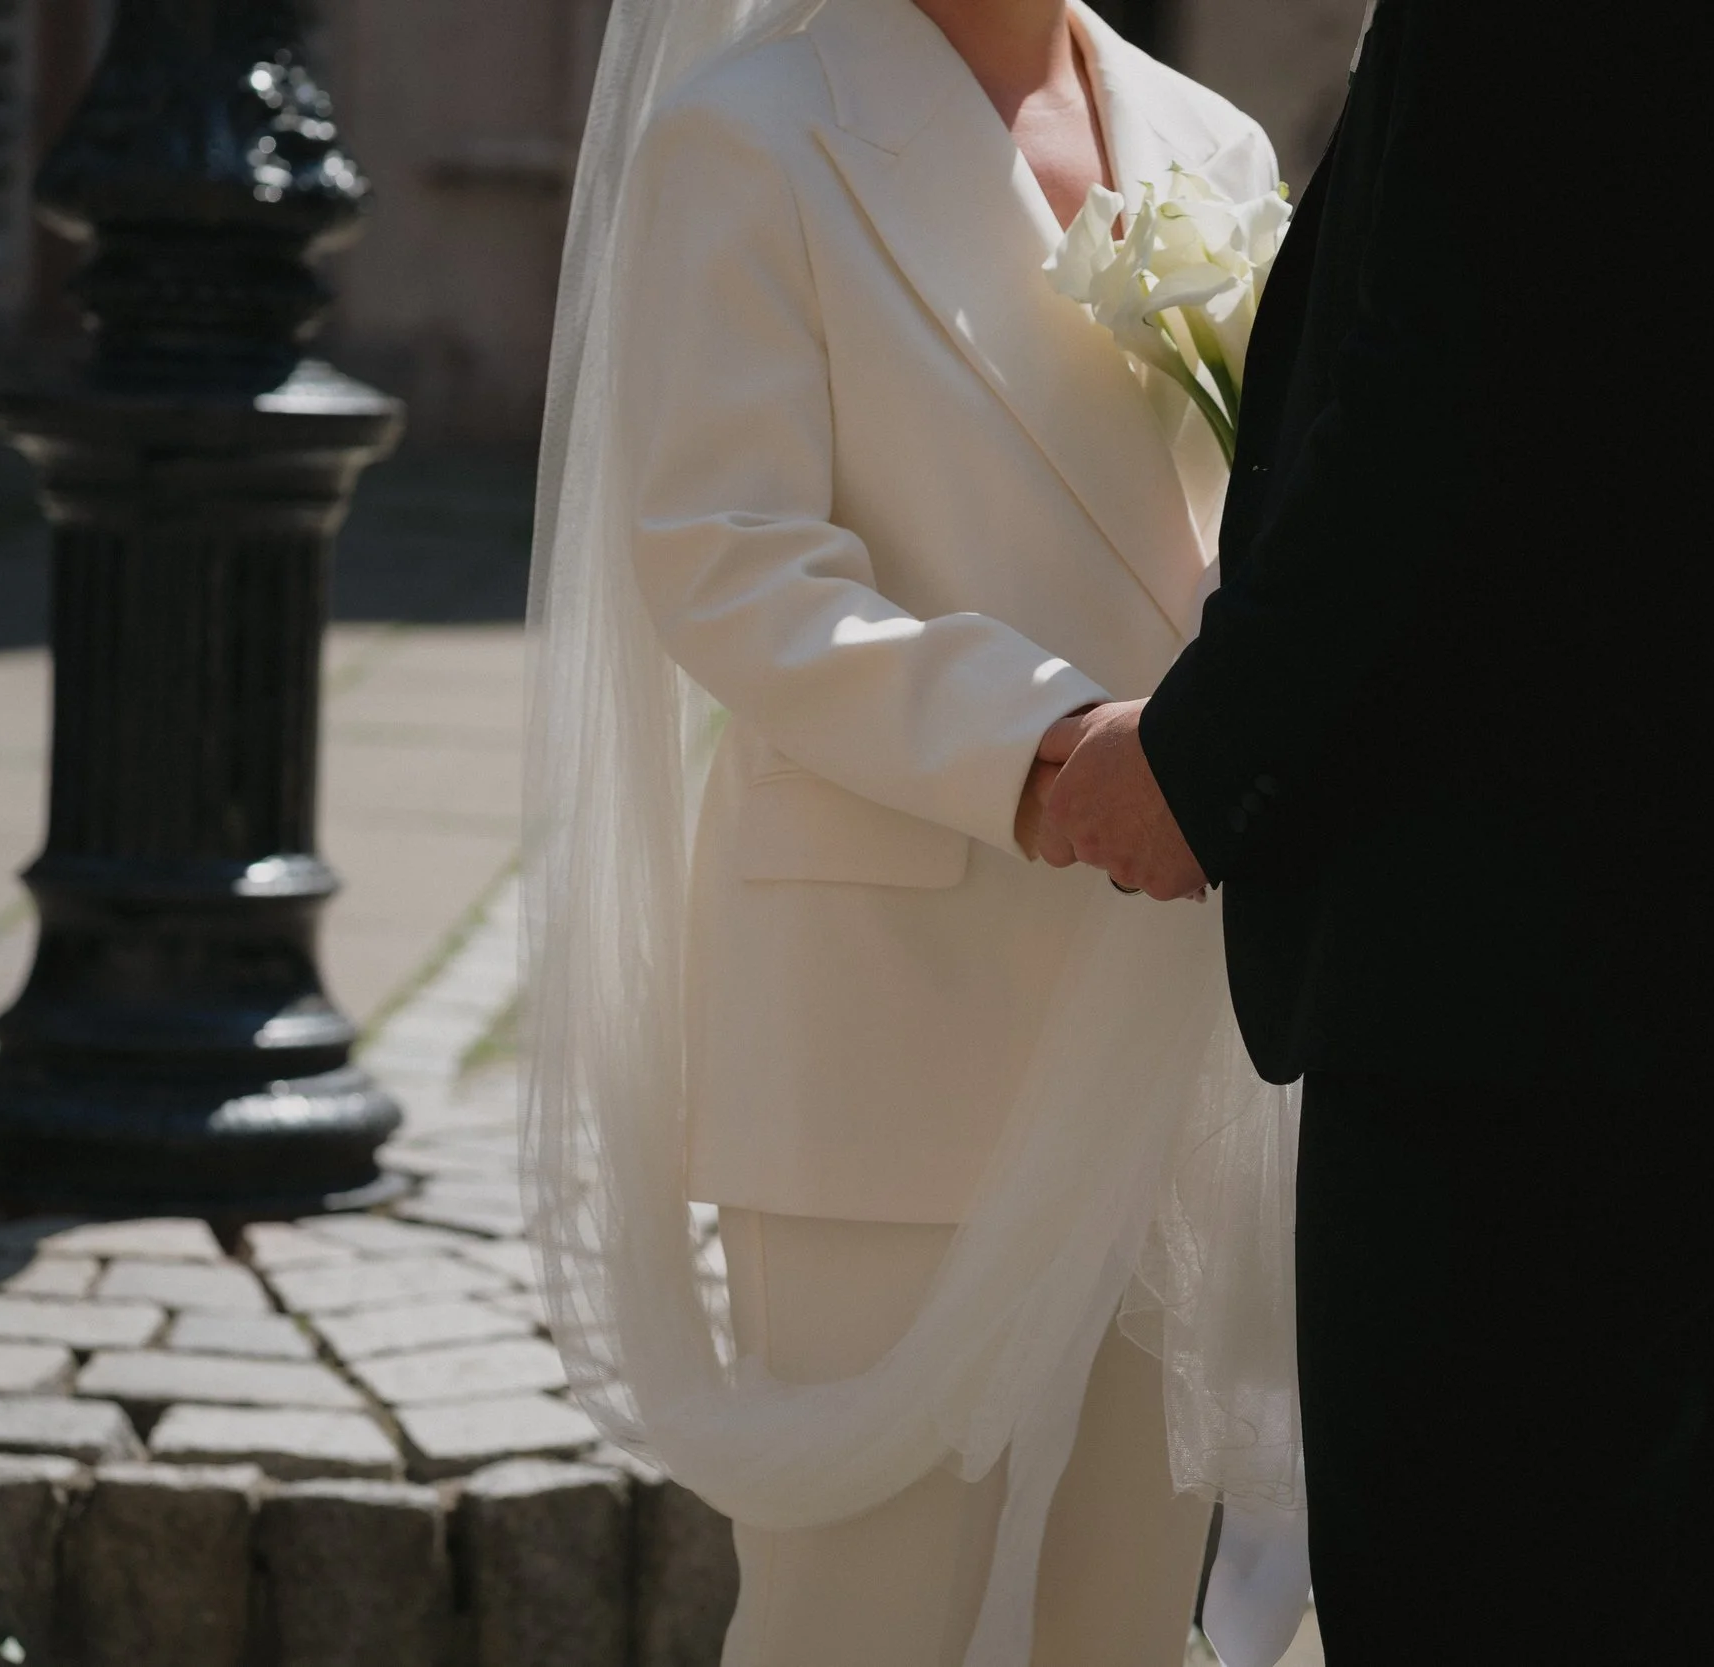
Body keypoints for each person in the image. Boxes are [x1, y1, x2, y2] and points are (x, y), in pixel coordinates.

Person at [1044, 2, 1714, 1660]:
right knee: (1701, 1591)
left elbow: (1469, 357)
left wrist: (1208, 759)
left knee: (1495, 1591)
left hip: (1533, 950)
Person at [520, 0, 1303, 1662]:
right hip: (888, 1003)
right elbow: (725, 559)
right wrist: (1040, 752)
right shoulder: (747, 136)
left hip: (1165, 997)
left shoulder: (1211, 144)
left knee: (1124, 1607)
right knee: (860, 1610)